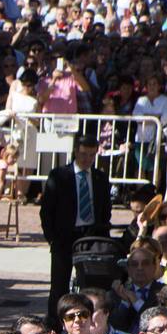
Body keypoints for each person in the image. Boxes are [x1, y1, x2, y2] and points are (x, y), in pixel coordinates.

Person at [40, 134, 112, 322]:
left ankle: (89, 321)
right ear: (75, 152)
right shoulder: (59, 175)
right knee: (59, 285)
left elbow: (105, 210)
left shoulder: (100, 178)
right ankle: (54, 324)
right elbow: (47, 210)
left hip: (90, 236)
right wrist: (52, 238)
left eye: (91, 155)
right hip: (64, 236)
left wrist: (102, 235)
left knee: (90, 283)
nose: (87, 159)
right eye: (83, 154)